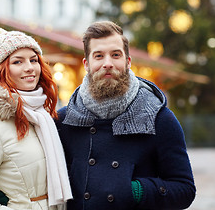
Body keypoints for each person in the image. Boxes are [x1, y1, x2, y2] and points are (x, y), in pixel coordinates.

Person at [55, 21, 196, 209]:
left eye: (115, 55)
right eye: (99, 56)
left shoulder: (158, 118)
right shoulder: (64, 121)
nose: (107, 63)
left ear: (128, 62)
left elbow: (185, 189)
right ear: (87, 64)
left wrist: (136, 191)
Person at [0, 27, 72, 210]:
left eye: (33, 60)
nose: (29, 68)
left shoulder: (40, 118)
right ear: (1, 70)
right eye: (17, 62)